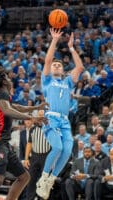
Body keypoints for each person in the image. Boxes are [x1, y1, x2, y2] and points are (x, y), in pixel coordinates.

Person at [0, 68, 46, 200]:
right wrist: (31, 118)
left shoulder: (2, 94)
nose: (10, 80)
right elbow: (7, 110)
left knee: (24, 177)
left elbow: (16, 107)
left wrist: (35, 108)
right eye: (7, 78)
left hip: (3, 143)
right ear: (3, 81)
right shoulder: (1, 93)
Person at [36, 28, 84, 200]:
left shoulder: (68, 82)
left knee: (67, 150)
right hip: (51, 118)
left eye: (59, 65)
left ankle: (51, 179)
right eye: (54, 65)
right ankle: (43, 178)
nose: (56, 65)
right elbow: (48, 60)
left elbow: (80, 67)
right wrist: (55, 40)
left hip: (64, 121)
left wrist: (71, 48)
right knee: (57, 147)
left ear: (63, 70)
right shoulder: (47, 80)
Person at [23, 109, 51, 200]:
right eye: (39, 116)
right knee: (31, 180)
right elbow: (29, 144)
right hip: (34, 156)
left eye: (42, 115)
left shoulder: (50, 128)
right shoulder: (32, 129)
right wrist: (26, 158)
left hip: (46, 157)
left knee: (44, 180)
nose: (40, 118)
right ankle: (29, 198)